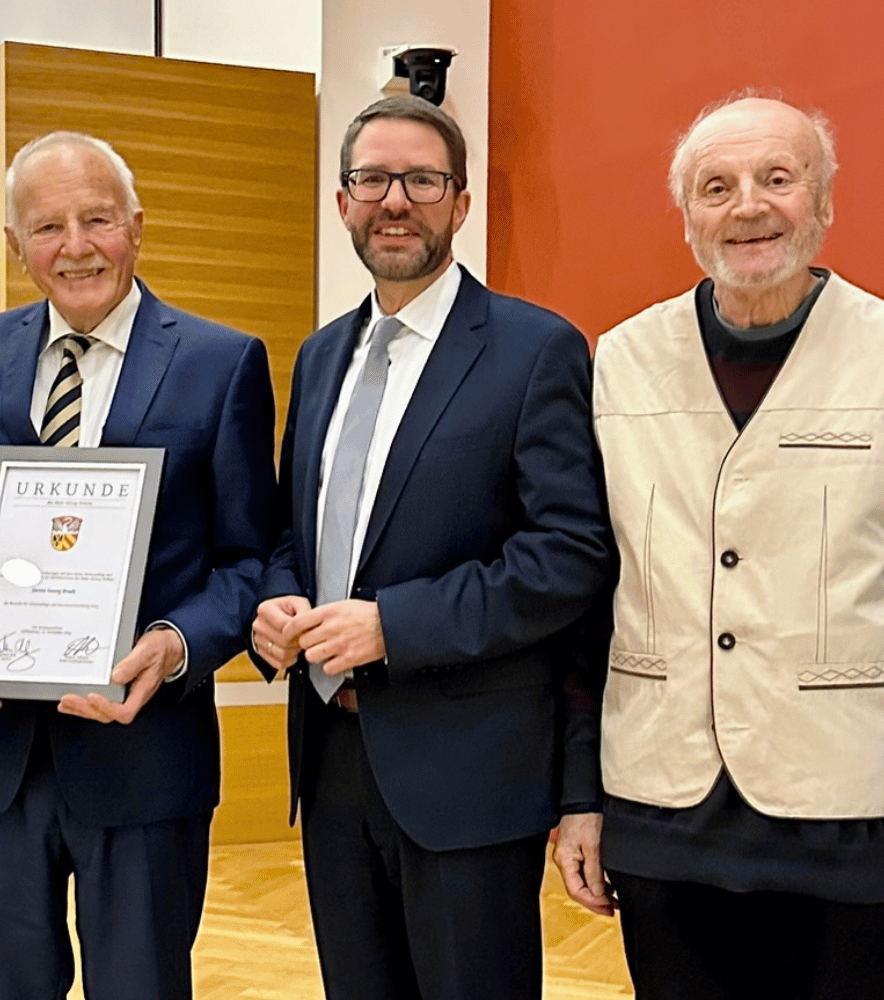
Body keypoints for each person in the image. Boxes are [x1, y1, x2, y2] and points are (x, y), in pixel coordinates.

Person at [553, 93, 884, 1000]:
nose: (748, 206)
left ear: (823, 202)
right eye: (716, 187)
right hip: (663, 805)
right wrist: (579, 794)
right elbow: (589, 599)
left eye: (778, 178)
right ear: (687, 215)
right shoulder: (617, 364)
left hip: (848, 814)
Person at [248, 95, 613, 1000]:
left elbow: (569, 554)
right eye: (372, 179)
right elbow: (298, 530)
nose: (395, 200)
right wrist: (279, 599)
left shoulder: (537, 350)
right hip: (331, 766)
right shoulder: (321, 354)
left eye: (421, 179)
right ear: (342, 204)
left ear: (461, 202)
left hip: (469, 777)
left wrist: (393, 626)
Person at [0, 130, 275, 1000]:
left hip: (145, 758)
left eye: (96, 219)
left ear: (136, 227)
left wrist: (178, 643)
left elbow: (251, 558)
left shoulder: (222, 364)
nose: (75, 246)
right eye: (47, 226)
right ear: (18, 245)